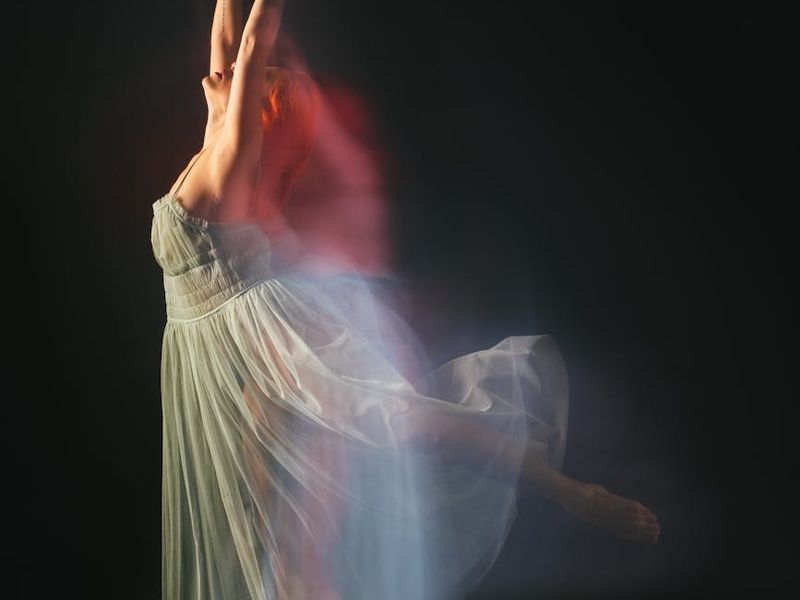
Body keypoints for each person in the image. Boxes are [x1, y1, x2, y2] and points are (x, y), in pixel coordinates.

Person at [151, 2, 660, 598]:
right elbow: (231, 33)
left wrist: (257, 40)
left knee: (402, 422)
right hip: (222, 347)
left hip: (265, 336)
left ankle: (576, 494)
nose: (228, 66)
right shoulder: (218, 132)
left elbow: (257, 36)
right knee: (283, 526)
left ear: (252, 104)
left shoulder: (233, 156)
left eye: (246, 72)